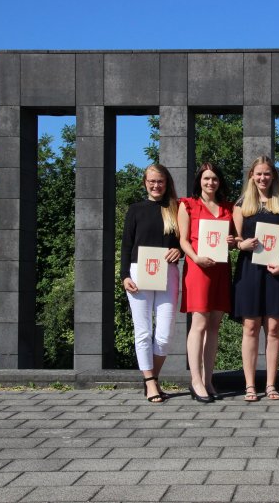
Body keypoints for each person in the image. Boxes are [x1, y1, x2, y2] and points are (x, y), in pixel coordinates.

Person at [233, 156, 279, 402]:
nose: (262, 178)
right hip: (249, 271)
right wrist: (243, 244)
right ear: (251, 176)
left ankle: (271, 384)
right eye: (258, 174)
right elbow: (236, 239)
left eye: (267, 174)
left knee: (273, 329)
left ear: (274, 176)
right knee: (250, 327)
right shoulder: (241, 205)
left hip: (276, 272)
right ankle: (250, 385)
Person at [120, 163, 182, 403]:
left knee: (165, 335)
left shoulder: (175, 209)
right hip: (138, 273)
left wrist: (179, 251)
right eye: (152, 181)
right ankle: (150, 381)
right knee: (143, 331)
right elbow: (126, 245)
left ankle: (152, 379)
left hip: (168, 272)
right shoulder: (135, 210)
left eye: (161, 181)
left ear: (167, 184)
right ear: (145, 183)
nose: (156, 185)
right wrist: (124, 275)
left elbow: (185, 241)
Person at [178, 162, 236, 403]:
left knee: (214, 325)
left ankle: (209, 379)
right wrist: (196, 258)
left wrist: (232, 241)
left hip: (221, 269)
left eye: (214, 178)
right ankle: (196, 380)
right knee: (199, 322)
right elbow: (182, 240)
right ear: (199, 181)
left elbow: (232, 239)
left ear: (219, 181)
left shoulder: (227, 207)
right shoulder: (187, 205)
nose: (210, 182)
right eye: (206, 178)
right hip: (198, 268)